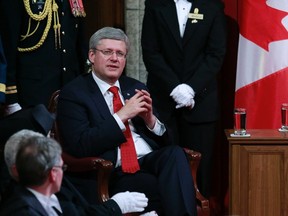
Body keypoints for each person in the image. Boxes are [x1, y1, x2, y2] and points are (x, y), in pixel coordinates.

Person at [57, 26, 197, 216]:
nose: (114, 58)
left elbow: (167, 142)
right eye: (107, 52)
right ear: (91, 55)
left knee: (175, 154)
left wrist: (150, 120)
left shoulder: (136, 87)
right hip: (111, 170)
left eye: (120, 54)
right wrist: (121, 115)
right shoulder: (74, 93)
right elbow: (80, 145)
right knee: (165, 188)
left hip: (146, 161)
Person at [141, 0, 227, 198]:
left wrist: (191, 88)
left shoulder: (212, 6)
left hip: (201, 103)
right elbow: (150, 51)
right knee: (164, 167)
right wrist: (174, 87)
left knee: (201, 173)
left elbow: (216, 54)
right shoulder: (155, 5)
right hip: (164, 101)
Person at [0, 130, 149, 216]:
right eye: (61, 168)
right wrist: (115, 207)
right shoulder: (20, 210)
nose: (63, 172)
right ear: (52, 173)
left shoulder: (53, 192)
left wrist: (115, 206)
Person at [0, 0, 88, 115]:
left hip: (70, 90)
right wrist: (11, 100)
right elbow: (8, 48)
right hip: (32, 93)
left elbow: (79, 45)